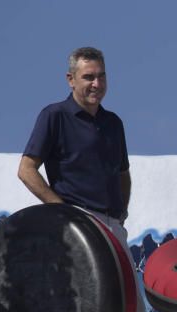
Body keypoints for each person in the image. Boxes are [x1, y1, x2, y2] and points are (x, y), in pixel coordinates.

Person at [18, 46, 131, 248]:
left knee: (125, 281)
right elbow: (26, 170)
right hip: (78, 223)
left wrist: (121, 214)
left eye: (101, 77)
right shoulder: (54, 116)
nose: (97, 84)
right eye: (89, 77)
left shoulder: (114, 123)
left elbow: (123, 173)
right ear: (71, 79)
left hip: (114, 228)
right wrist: (62, 211)